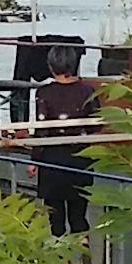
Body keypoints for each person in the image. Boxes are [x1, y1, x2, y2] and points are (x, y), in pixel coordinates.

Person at [27, 38, 102, 238]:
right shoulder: (88, 91)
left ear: (51, 67)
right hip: (80, 158)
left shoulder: (44, 92)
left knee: (56, 217)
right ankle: (85, 260)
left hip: (52, 159)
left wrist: (34, 159)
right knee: (79, 216)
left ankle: (61, 261)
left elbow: (41, 129)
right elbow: (97, 123)